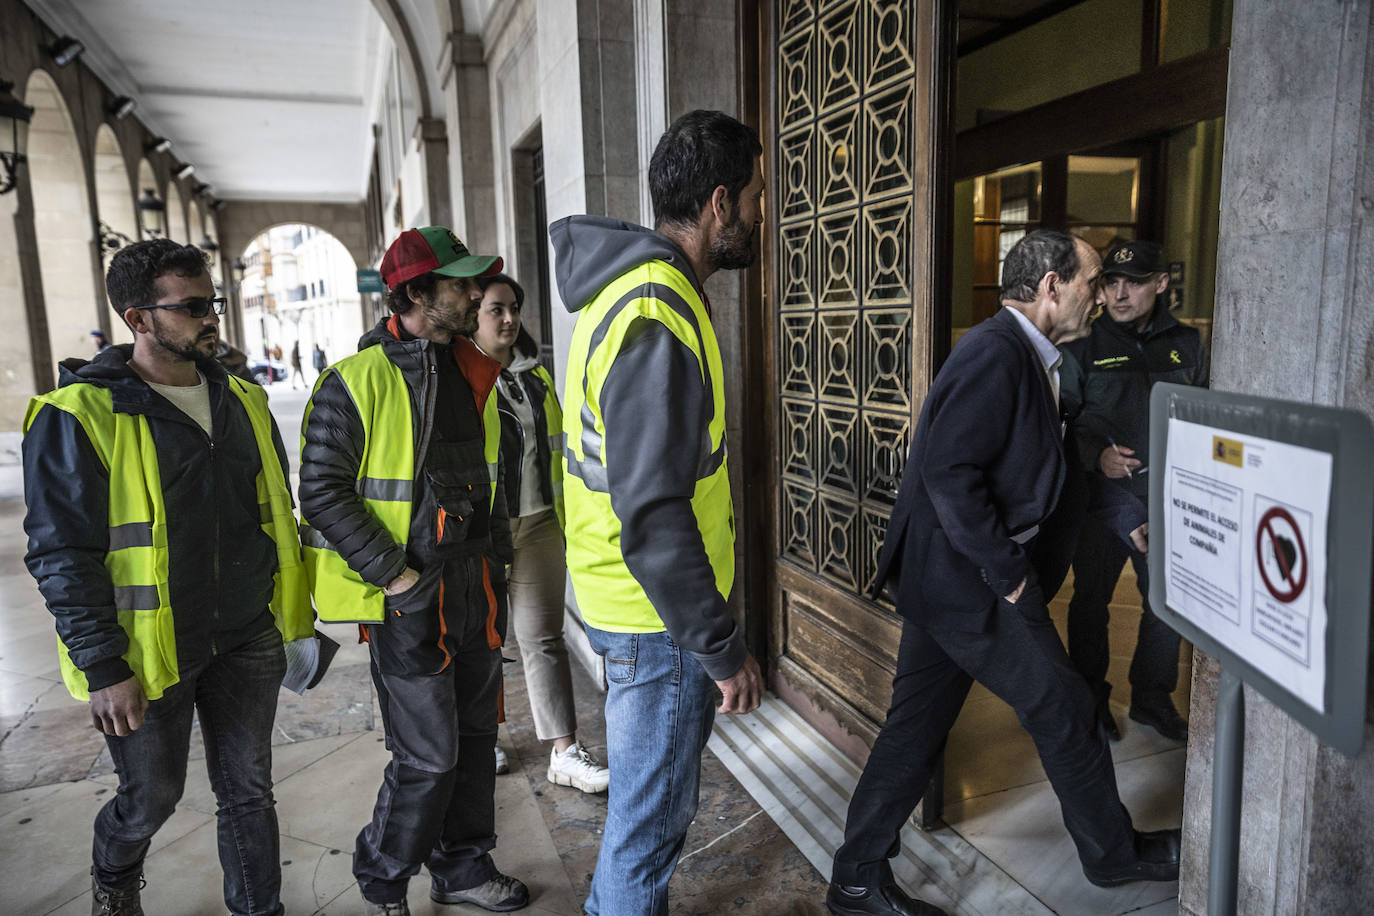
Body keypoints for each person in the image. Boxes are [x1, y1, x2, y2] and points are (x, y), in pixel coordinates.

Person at [827, 231, 1180, 916]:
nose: (1102, 294)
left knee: (916, 726)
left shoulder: (1029, 352)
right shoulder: (995, 351)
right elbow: (948, 472)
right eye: (1090, 281)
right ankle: (1113, 857)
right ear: (1050, 287)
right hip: (973, 587)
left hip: (949, 583)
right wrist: (1011, 577)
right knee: (1067, 706)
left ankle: (854, 879)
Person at [22, 238, 313, 916]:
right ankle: (115, 874)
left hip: (246, 635)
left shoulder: (244, 400)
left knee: (249, 790)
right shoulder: (79, 415)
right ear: (138, 318)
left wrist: (284, 618)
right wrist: (102, 665)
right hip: (148, 651)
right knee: (152, 797)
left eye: (212, 302)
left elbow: (269, 511)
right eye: (191, 307)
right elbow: (63, 553)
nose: (211, 318)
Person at [550, 109, 766, 916]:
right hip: (660, 623)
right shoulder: (655, 311)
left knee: (644, 819)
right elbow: (653, 510)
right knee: (647, 829)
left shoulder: (631, 292)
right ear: (719, 206)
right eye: (756, 196)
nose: (761, 213)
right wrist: (719, 648)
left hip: (630, 605)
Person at [298, 226, 527, 916]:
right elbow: (321, 492)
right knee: (428, 758)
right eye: (459, 283)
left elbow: (491, 480)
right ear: (419, 293)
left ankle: (462, 868)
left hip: (476, 587)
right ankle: (382, 877)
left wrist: (500, 565)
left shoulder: (474, 369)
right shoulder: (353, 383)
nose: (474, 292)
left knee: (477, 741)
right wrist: (396, 578)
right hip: (409, 599)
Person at [1059, 240, 1209, 742]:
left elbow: (1206, 421)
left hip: (1168, 499)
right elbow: (1062, 427)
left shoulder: (1188, 345)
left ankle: (1151, 698)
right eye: (1110, 283)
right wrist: (1095, 456)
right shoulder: (1082, 346)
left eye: (1134, 283)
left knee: (1165, 603)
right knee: (1090, 599)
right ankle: (1090, 700)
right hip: (1100, 501)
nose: (1119, 294)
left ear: (1160, 284)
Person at [470, 272, 610, 793]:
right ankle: (481, 736)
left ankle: (564, 751)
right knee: (481, 640)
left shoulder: (535, 377)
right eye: (495, 310)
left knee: (543, 638)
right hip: (483, 531)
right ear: (472, 316)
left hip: (539, 525)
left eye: (514, 308)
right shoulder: (458, 377)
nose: (509, 319)